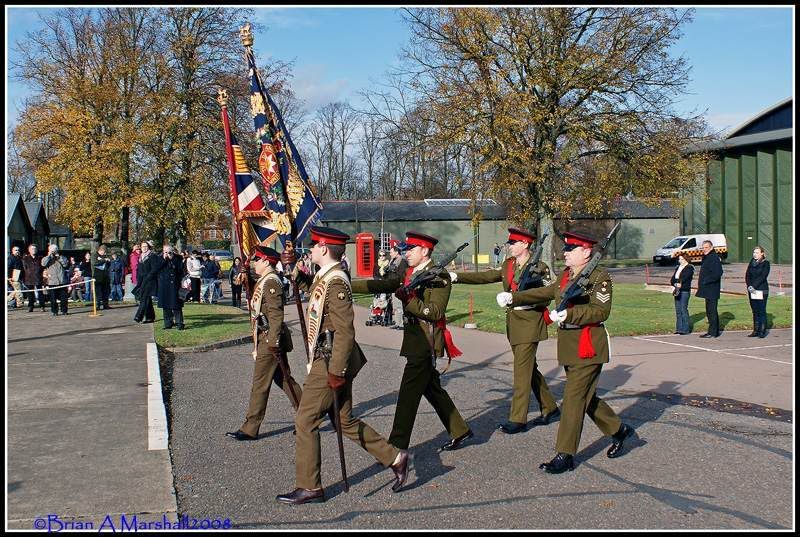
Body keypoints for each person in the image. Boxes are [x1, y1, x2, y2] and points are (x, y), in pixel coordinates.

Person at [276, 226, 410, 505]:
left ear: (324, 248)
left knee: (305, 419)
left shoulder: (335, 281)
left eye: (313, 245)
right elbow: (315, 296)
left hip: (330, 361)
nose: (310, 249)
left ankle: (310, 486)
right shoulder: (328, 277)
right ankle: (395, 458)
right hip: (331, 358)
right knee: (344, 420)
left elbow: (345, 331)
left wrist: (336, 372)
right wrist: (295, 273)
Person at [498, 231, 634, 473]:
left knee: (572, 399)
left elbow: (600, 312)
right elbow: (545, 293)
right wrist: (514, 297)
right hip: (569, 345)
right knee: (586, 398)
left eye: (571, 249)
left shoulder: (599, 277)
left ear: (586, 252)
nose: (566, 253)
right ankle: (619, 430)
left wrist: (570, 314)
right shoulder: (566, 276)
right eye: (566, 249)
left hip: (588, 345)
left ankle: (565, 454)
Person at [351, 231, 473, 453]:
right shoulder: (409, 273)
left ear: (425, 251)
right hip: (414, 341)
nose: (406, 253)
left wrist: (410, 300)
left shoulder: (439, 277)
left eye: (412, 249)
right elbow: (382, 286)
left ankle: (395, 449)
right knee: (432, 389)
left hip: (425, 344)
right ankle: (459, 429)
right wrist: (347, 285)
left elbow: (435, 312)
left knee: (407, 397)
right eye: (406, 249)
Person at [450, 227, 558, 434]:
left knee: (521, 371)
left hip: (529, 323)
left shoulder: (539, 267)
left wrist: (521, 301)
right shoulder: (509, 265)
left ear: (525, 244)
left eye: (513, 243)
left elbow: (546, 295)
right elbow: (486, 276)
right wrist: (457, 276)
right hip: (514, 324)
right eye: (510, 243)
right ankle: (550, 408)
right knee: (528, 370)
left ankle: (518, 418)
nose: (509, 246)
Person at [226, 246, 303, 441]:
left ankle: (250, 427)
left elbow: (276, 315)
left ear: (266, 262)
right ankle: (308, 417)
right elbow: (257, 300)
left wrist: (273, 342)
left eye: (257, 260)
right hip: (267, 337)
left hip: (269, 339)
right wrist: (247, 279)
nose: (254, 263)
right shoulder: (264, 280)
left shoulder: (271, 282)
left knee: (260, 384)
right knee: (285, 380)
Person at [150, 244, 186, 330]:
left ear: (172, 251)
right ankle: (168, 323)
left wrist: (172, 260)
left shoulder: (178, 258)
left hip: (175, 285)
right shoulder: (158, 258)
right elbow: (155, 269)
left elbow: (181, 271)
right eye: (165, 251)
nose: (167, 253)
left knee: (176, 305)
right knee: (166, 306)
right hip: (164, 285)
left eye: (169, 251)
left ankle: (179, 323)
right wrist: (164, 259)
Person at [696, 240, 723, 338]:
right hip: (707, 289)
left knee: (712, 310)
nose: (704, 249)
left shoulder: (714, 257)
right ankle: (711, 331)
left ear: (711, 247)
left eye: (706, 247)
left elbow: (718, 273)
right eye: (703, 247)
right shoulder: (706, 257)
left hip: (712, 288)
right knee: (708, 310)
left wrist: (706, 280)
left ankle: (714, 332)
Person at [745, 245, 770, 338]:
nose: (754, 254)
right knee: (755, 310)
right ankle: (756, 330)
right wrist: (749, 286)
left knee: (761, 310)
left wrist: (753, 286)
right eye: (754, 252)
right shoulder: (752, 262)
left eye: (757, 252)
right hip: (752, 290)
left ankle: (762, 331)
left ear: (762, 254)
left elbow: (763, 276)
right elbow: (747, 275)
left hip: (761, 289)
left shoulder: (766, 263)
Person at [670, 253, 694, 335]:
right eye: (679, 259)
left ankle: (685, 329)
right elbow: (673, 279)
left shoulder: (689, 268)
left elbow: (685, 278)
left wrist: (680, 283)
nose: (680, 261)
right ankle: (679, 328)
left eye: (681, 259)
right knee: (678, 310)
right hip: (677, 290)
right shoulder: (678, 267)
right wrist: (675, 284)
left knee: (683, 309)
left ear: (686, 259)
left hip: (684, 290)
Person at [133, 241, 157, 323]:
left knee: (144, 298)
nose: (144, 248)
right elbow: (139, 270)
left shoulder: (152, 256)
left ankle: (138, 316)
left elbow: (154, 268)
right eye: (143, 246)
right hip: (142, 280)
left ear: (149, 247)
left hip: (150, 280)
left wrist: (149, 275)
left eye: (146, 246)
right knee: (147, 299)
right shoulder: (140, 257)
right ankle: (150, 317)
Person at [41, 244, 69, 316]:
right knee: (53, 299)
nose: (54, 251)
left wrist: (58, 257)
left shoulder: (62, 257)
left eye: (55, 249)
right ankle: (54, 311)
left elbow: (65, 264)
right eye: (52, 250)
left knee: (64, 298)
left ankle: (64, 310)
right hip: (52, 282)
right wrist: (49, 255)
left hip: (62, 281)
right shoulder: (46, 258)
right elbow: (43, 264)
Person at [386, 243, 408, 330]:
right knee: (394, 305)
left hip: (398, 286)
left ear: (396, 252)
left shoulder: (402, 261)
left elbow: (402, 274)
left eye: (391, 252)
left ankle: (401, 324)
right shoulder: (392, 260)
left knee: (399, 305)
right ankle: (397, 322)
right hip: (392, 285)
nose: (390, 254)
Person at [22, 244, 47, 312]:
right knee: (30, 294)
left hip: (38, 277)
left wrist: (44, 276)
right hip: (29, 278)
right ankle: (31, 306)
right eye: (32, 249)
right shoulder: (25, 259)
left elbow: (43, 268)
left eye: (35, 249)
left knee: (40, 293)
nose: (34, 250)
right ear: (29, 250)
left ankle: (42, 306)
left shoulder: (40, 258)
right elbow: (24, 269)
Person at [93, 244, 112, 310]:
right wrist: (104, 260)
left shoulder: (105, 256)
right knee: (98, 292)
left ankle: (105, 305)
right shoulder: (95, 256)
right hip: (98, 277)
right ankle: (97, 305)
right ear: (100, 250)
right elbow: (95, 263)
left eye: (104, 251)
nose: (104, 252)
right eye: (103, 251)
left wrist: (108, 261)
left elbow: (108, 265)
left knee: (105, 292)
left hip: (105, 277)